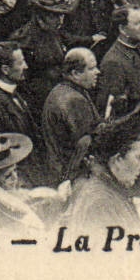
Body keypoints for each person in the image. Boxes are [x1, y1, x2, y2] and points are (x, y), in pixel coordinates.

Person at [41, 47, 101, 184]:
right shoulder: (73, 99)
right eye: (91, 69)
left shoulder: (67, 89)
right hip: (72, 176)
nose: (98, 72)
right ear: (75, 73)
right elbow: (89, 141)